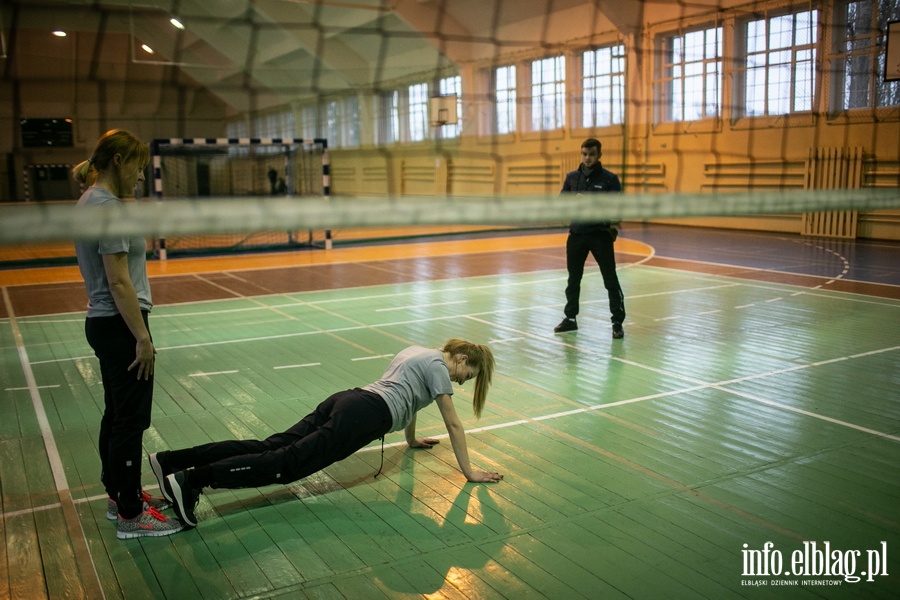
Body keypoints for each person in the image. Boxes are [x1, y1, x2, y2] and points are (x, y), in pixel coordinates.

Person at [149, 338, 500, 528]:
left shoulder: (419, 352)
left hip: (351, 399)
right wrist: (469, 472)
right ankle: (192, 481)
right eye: (466, 376)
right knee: (285, 464)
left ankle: (170, 462)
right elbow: (452, 422)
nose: (460, 381)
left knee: (272, 445)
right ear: (463, 359)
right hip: (365, 416)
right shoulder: (440, 365)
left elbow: (406, 395)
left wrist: (410, 439)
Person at [73, 129, 182, 540]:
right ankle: (132, 515)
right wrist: (142, 337)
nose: (140, 176)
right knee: (131, 421)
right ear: (118, 161)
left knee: (117, 415)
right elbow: (119, 281)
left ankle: (120, 495)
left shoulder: (90, 200)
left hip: (104, 322)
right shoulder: (109, 207)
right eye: (137, 165)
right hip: (121, 323)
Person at [554, 138, 626, 339]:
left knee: (610, 279)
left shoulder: (610, 179)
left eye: (591, 154)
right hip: (577, 235)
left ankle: (617, 322)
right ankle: (570, 318)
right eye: (584, 154)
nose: (587, 158)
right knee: (573, 279)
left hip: (600, 236)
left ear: (599, 155)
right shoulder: (571, 178)